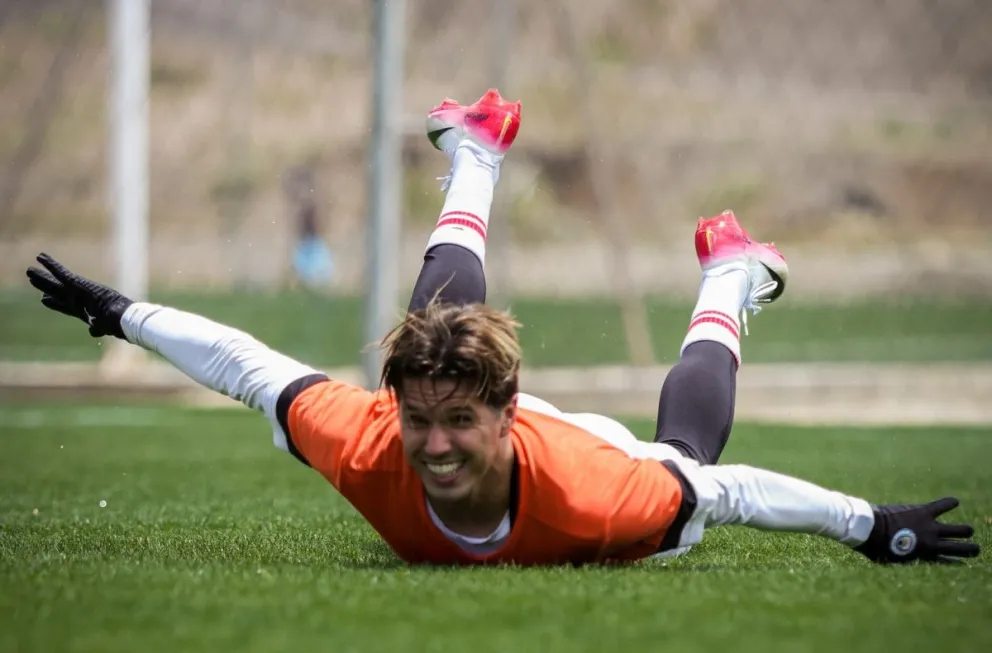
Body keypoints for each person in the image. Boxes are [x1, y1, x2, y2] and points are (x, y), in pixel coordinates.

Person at [26, 89, 979, 567]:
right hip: (532, 436)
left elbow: (725, 489)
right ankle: (480, 148)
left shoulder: (600, 496)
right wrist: (120, 313)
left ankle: (730, 276)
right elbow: (249, 365)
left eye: (458, 425)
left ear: (508, 413)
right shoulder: (370, 442)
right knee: (433, 329)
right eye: (420, 418)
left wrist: (865, 525)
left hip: (611, 456)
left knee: (685, 447)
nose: (433, 446)